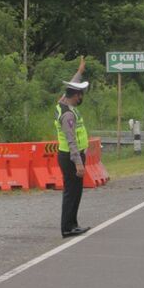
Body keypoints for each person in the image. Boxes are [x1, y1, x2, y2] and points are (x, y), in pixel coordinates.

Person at [55, 61, 90, 237]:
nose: (81, 98)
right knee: (71, 192)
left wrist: (79, 72)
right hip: (70, 157)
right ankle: (67, 227)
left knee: (76, 192)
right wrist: (78, 163)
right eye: (80, 95)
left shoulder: (63, 103)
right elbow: (71, 140)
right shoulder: (68, 114)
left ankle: (72, 224)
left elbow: (70, 86)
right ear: (75, 95)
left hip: (69, 156)